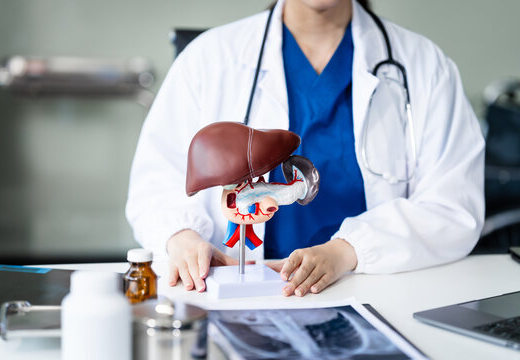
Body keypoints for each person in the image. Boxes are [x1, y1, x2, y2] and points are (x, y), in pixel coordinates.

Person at [125, 0, 485, 297]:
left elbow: (453, 205)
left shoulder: (425, 66)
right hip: (234, 295)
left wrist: (347, 250)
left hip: (374, 293)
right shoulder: (209, 59)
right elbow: (155, 184)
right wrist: (181, 237)